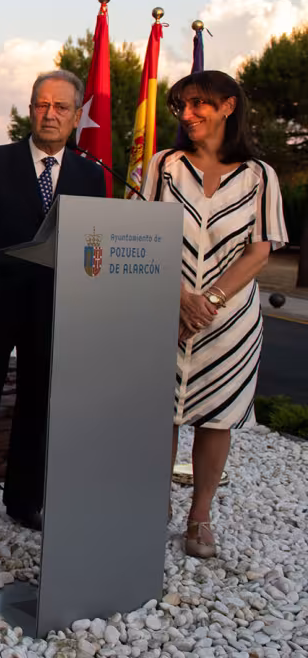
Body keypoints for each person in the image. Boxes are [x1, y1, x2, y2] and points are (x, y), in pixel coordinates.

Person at [0, 70, 106, 532]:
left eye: (60, 107)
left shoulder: (92, 176)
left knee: (39, 405)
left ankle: (24, 498)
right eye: (41, 105)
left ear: (76, 117)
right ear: (30, 109)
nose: (49, 115)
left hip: (54, 312)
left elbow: (94, 249)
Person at [136, 70, 287, 558]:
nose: (187, 113)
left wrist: (210, 303)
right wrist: (181, 297)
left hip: (230, 324)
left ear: (228, 107)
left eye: (199, 103)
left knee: (216, 417)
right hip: (162, 306)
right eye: (181, 104)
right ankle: (150, 501)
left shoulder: (260, 176)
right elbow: (137, 234)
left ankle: (199, 517)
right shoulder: (163, 166)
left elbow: (260, 251)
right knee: (161, 413)